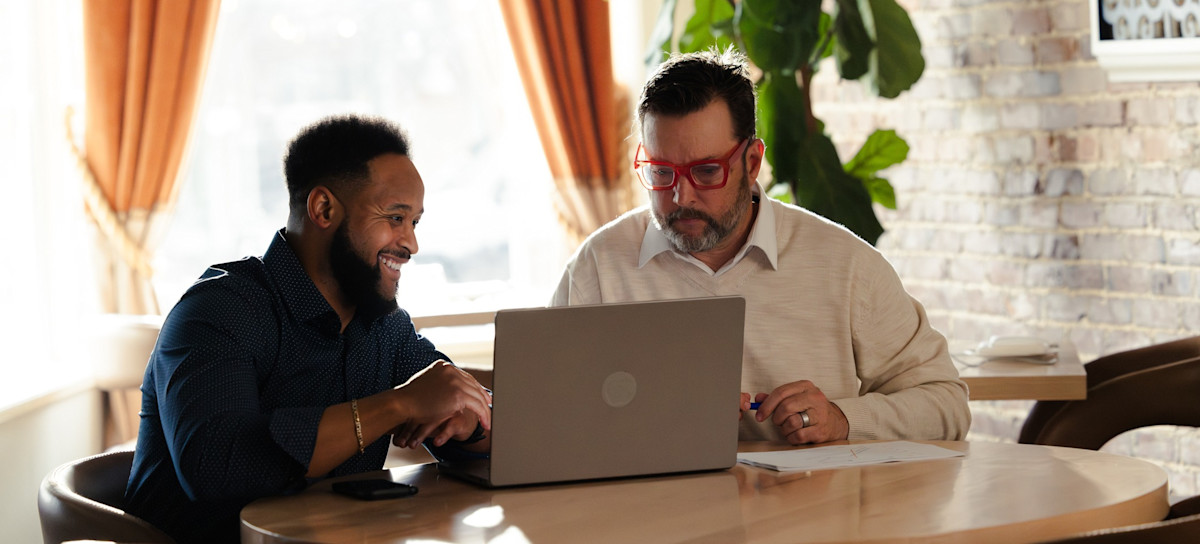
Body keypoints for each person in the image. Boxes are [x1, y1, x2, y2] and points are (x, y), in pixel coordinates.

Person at [549, 49, 970, 444]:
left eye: (707, 171)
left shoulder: (846, 267)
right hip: (645, 518)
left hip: (813, 518)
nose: (681, 197)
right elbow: (544, 416)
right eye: (660, 173)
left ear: (751, 163)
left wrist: (843, 420)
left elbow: (946, 404)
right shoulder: (598, 268)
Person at [125, 115, 492, 543]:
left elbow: (453, 412)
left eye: (415, 222)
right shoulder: (217, 312)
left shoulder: (384, 326)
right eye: (395, 218)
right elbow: (218, 471)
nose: (411, 244)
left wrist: (470, 426)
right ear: (323, 209)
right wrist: (395, 406)